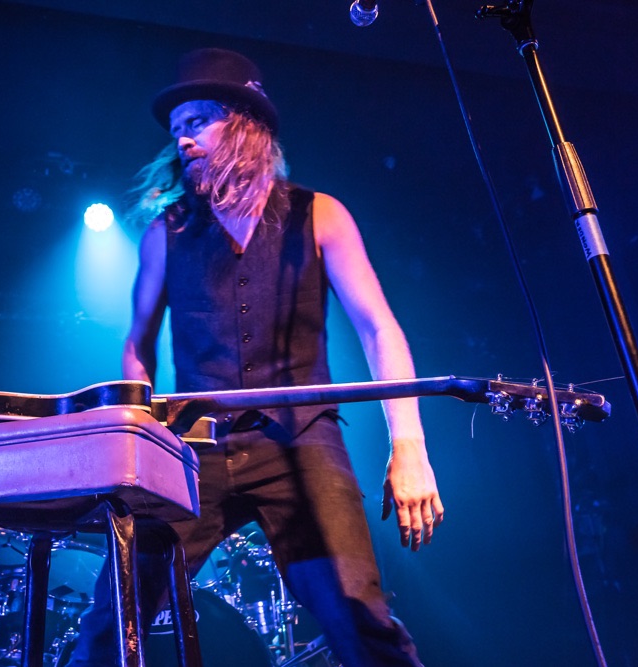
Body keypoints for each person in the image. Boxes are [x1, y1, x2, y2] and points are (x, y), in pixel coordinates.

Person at [66, 48, 445, 667]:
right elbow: (136, 344)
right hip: (194, 449)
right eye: (176, 128)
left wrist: (410, 448)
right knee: (116, 614)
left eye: (196, 123)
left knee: (358, 613)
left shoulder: (318, 214)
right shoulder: (168, 232)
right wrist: (137, 439)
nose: (182, 139)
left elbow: (380, 329)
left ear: (242, 121)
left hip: (302, 442)